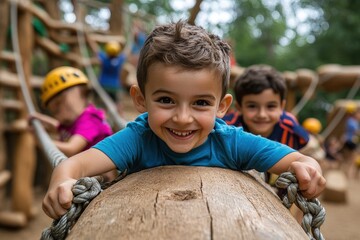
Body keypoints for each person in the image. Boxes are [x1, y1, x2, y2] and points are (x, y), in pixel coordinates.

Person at [42, 21, 325, 220]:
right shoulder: (138, 138)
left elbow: (298, 160)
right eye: (166, 100)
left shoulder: (230, 141)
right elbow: (74, 164)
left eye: (201, 103)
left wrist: (308, 168)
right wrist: (62, 183)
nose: (182, 118)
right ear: (140, 99)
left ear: (222, 106)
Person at [222, 65, 310, 183]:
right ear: (239, 107)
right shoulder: (227, 128)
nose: (262, 114)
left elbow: (305, 148)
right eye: (252, 106)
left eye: (271, 106)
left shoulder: (291, 130)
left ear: (281, 107)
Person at [30, 66, 117, 181]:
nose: (59, 115)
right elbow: (58, 127)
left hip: (102, 178)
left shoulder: (89, 120)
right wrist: (41, 118)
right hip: (88, 173)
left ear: (82, 95)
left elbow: (72, 148)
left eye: (59, 106)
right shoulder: (74, 121)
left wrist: (42, 141)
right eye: (54, 112)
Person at [89, 39, 127, 115]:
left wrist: (89, 39)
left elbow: (95, 49)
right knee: (118, 104)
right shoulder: (120, 59)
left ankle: (100, 119)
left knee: (101, 105)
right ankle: (121, 118)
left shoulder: (104, 59)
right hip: (115, 86)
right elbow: (126, 51)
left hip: (103, 85)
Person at [341, 102, 360, 178]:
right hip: (351, 141)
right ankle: (348, 173)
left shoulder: (349, 120)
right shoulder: (353, 122)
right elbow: (356, 132)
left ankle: (344, 171)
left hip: (348, 140)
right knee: (352, 158)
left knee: (346, 157)